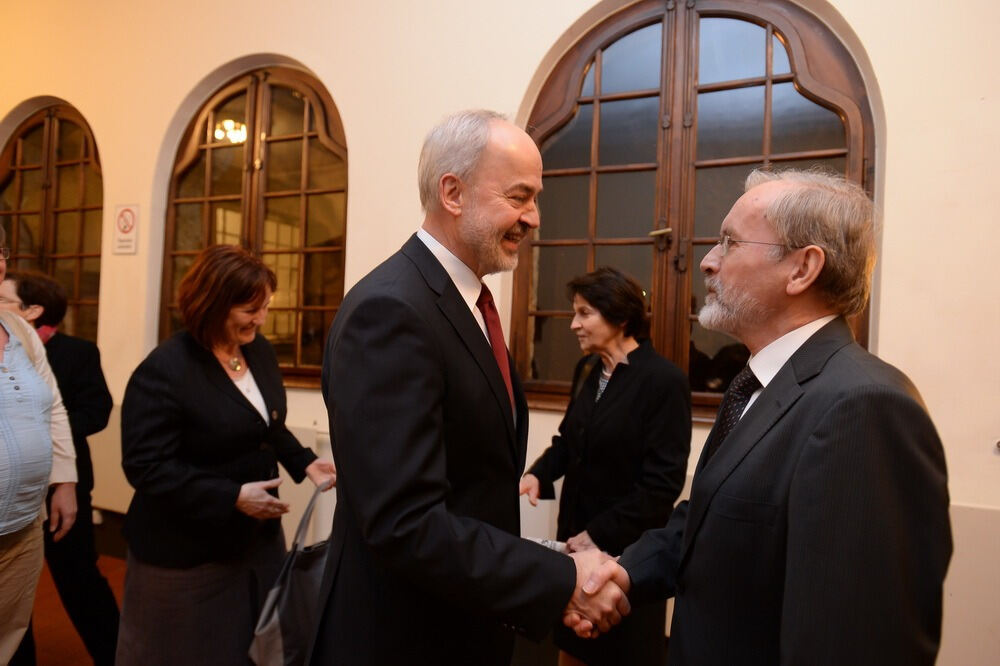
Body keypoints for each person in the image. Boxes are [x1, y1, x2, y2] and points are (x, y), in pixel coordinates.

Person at [574, 169, 953, 664]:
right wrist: (625, 571)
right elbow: (709, 520)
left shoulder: (865, 408)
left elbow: (853, 642)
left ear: (802, 269)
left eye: (729, 243)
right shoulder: (756, 383)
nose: (707, 263)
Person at [309, 110, 628, 666]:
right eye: (518, 197)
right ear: (452, 192)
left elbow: (469, 487)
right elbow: (403, 522)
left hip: (457, 624)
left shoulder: (465, 301)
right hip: (401, 639)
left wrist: (545, 558)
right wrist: (556, 579)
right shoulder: (391, 309)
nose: (533, 218)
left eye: (535, 199)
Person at [117, 244, 336, 665]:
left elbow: (265, 425)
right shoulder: (165, 369)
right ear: (211, 304)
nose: (261, 318)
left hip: (255, 546)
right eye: (249, 309)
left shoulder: (258, 350)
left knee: (249, 649)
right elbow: (146, 467)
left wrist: (304, 461)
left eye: (266, 306)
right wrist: (231, 496)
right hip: (187, 555)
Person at [520, 266, 691, 666]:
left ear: (620, 316)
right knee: (572, 645)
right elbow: (568, 442)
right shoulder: (587, 371)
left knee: (620, 653)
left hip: (625, 555)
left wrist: (595, 535)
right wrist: (537, 474)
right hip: (574, 547)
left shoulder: (663, 381)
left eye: (584, 313)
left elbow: (661, 486)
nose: (574, 325)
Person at [0, 271, 118, 666]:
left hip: (60, 487)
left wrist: (52, 453)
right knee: (16, 603)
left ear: (33, 310)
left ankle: (114, 654)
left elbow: (89, 411)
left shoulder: (77, 352)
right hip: (14, 496)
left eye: (6, 299)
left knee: (78, 579)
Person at [0, 229, 77, 663]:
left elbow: (53, 405)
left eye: (0, 252)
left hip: (24, 525)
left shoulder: (18, 328)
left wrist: (63, 480)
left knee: (8, 637)